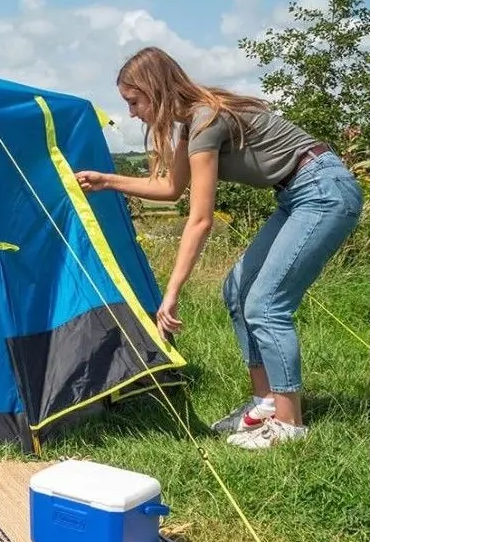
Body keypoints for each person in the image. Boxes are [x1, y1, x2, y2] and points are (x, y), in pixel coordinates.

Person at [75, 46, 363, 449]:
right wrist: (108, 181)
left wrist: (171, 293)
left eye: (134, 101)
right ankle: (265, 403)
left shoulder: (205, 120)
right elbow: (170, 188)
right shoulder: (190, 125)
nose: (132, 113)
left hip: (322, 190)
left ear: (155, 91)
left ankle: (289, 424)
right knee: (237, 291)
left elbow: (200, 219)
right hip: (296, 194)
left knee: (266, 304)